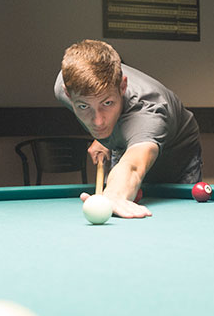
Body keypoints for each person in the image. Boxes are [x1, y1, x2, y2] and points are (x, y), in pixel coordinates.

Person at [54, 39, 202, 218]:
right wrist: (104, 138)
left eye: (107, 103)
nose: (98, 122)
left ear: (122, 86)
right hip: (127, 142)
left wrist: (114, 195)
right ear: (69, 95)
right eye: (84, 107)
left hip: (176, 153)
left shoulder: (149, 110)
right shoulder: (65, 87)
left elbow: (133, 164)